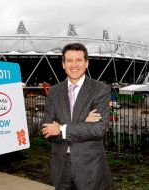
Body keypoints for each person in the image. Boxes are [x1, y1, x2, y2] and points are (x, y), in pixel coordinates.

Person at [42, 43, 111, 190]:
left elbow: (98, 130)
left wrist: (61, 128)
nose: (74, 65)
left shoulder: (100, 90)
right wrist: (84, 123)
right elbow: (47, 131)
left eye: (79, 60)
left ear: (86, 63)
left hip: (90, 167)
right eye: (69, 60)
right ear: (63, 64)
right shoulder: (53, 92)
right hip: (61, 166)